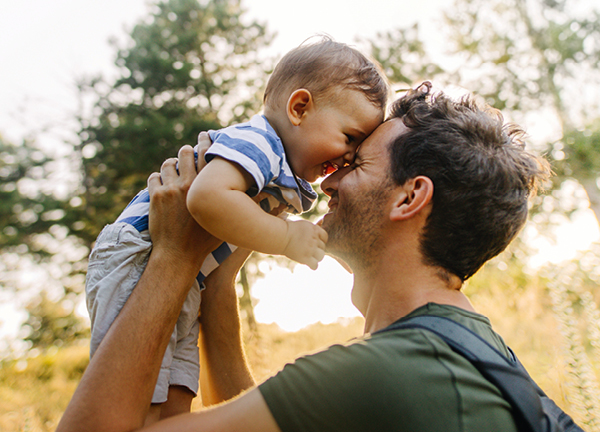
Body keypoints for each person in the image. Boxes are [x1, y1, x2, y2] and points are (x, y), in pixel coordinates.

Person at [58, 82, 554, 432]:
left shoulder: (381, 372)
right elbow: (247, 413)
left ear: (409, 198)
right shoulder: (472, 350)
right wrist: (218, 275)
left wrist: (171, 255)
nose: (328, 179)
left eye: (355, 162)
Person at [84, 36, 389, 423]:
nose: (348, 157)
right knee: (138, 397)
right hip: (138, 255)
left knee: (177, 396)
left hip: (187, 275)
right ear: (299, 108)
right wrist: (285, 237)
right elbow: (206, 198)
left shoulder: (280, 171)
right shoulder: (258, 142)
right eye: (350, 138)